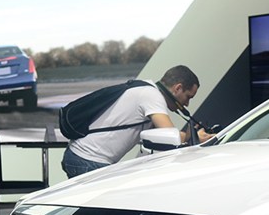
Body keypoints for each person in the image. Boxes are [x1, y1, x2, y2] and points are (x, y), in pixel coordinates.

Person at [62, 65, 214, 178]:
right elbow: (170, 137)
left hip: (80, 156)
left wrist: (188, 136)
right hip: (87, 160)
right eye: (188, 97)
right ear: (178, 88)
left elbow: (159, 138)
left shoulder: (146, 89)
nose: (187, 104)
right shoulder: (152, 96)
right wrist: (194, 137)